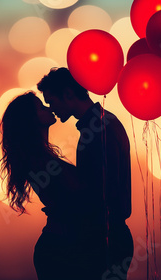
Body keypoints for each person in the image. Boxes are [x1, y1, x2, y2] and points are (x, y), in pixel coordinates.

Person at [37, 67, 134, 279]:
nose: (51, 109)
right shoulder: (104, 122)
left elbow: (97, 192)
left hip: (105, 241)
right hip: (111, 237)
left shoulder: (98, 129)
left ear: (69, 94)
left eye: (52, 101)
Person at [0, 91, 90, 280]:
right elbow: (80, 193)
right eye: (41, 107)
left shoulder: (39, 158)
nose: (49, 108)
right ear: (32, 119)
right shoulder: (40, 161)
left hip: (60, 246)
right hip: (61, 250)